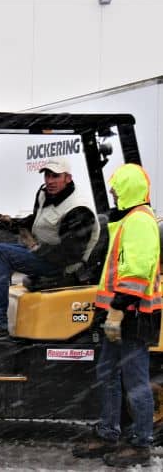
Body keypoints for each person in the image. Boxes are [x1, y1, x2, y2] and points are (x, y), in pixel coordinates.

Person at [72, 163, 161, 467]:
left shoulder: (139, 222)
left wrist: (118, 309)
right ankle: (109, 432)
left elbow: (136, 274)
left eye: (115, 188)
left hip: (133, 315)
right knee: (108, 373)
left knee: (135, 380)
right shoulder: (126, 222)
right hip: (120, 313)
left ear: (127, 189)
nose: (112, 193)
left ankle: (140, 442)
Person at [0, 156, 100, 338]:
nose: (49, 181)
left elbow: (69, 255)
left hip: (63, 266)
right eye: (47, 176)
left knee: (0, 253)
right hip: (44, 253)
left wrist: (35, 247)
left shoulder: (78, 210)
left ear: (68, 178)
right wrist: (11, 222)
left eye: (55, 176)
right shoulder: (46, 194)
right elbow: (36, 220)